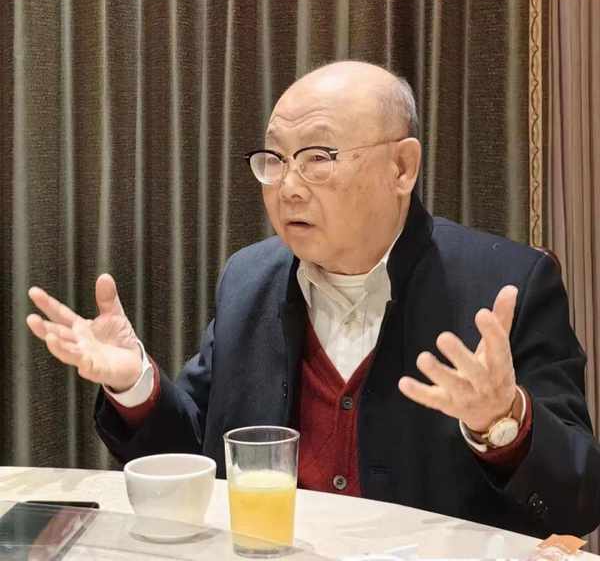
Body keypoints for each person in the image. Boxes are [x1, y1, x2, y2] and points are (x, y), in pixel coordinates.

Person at [27, 61, 600, 538]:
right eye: (276, 160)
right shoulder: (248, 279)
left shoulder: (506, 286)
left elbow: (579, 501)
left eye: (318, 158)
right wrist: (135, 383)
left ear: (402, 167)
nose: (289, 186)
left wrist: (504, 422)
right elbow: (199, 454)